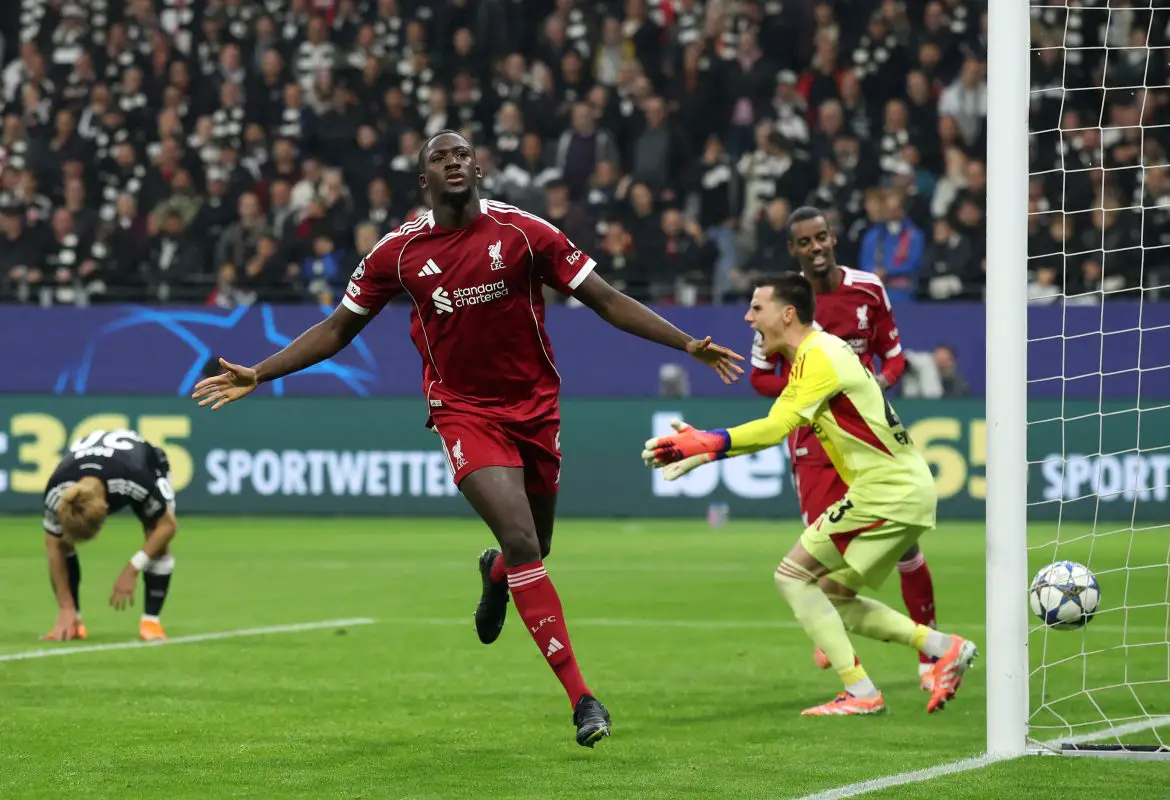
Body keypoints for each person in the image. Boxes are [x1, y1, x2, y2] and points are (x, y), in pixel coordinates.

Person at [191, 130, 744, 748]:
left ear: (478, 168)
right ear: (422, 179)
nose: (453, 162)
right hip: (462, 411)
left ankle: (495, 576)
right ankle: (583, 698)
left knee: (537, 544)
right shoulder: (397, 253)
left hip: (534, 409)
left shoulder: (524, 233)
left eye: (462, 155)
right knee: (522, 539)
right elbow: (338, 328)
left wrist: (687, 343)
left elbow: (605, 300)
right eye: (439, 157)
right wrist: (260, 372)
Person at [642, 273, 976, 716]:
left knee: (790, 576)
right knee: (833, 593)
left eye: (757, 308)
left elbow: (774, 427)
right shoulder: (813, 357)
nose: (748, 317)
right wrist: (705, 455)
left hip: (887, 491)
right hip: (899, 489)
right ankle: (943, 647)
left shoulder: (820, 355)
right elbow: (777, 425)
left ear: (787, 314)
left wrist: (704, 442)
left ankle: (860, 692)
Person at [749, 206, 940, 690]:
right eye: (804, 242)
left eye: (821, 238)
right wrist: (811, 393)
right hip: (812, 437)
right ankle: (851, 671)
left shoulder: (869, 289)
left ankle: (930, 652)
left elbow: (895, 359)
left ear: (833, 238)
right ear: (793, 250)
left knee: (904, 544)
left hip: (865, 434)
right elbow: (758, 376)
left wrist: (870, 384)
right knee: (819, 551)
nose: (815, 248)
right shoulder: (781, 302)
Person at [41, 429, 179, 643]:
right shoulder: (55, 493)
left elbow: (168, 527)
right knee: (62, 544)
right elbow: (53, 549)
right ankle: (73, 620)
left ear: (106, 509)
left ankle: (151, 623)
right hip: (98, 460)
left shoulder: (136, 480)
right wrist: (64, 606)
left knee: (156, 536)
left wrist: (132, 568)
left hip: (147, 462)